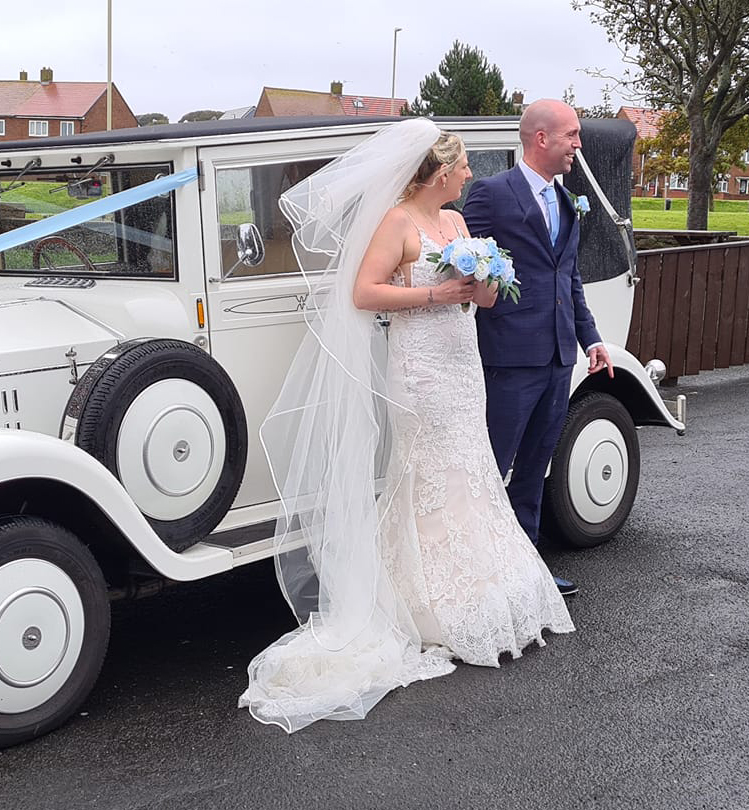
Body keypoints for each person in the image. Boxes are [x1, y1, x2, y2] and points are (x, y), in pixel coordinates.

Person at [240, 118, 574, 734]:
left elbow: (482, 298)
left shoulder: (456, 223)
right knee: (425, 475)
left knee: (472, 470)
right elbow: (363, 294)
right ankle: (426, 602)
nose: (471, 175)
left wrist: (484, 286)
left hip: (462, 363)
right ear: (439, 172)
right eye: (464, 166)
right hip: (418, 369)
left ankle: (487, 589)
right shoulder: (396, 222)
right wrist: (433, 297)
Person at [462, 99, 614, 597]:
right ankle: (483, 573)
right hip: (506, 358)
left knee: (534, 468)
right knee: (494, 466)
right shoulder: (490, 195)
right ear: (541, 138)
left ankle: (526, 571)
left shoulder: (568, 200)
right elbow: (467, 267)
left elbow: (567, 277)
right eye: (571, 135)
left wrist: (590, 339)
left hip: (557, 359)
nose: (578, 144)